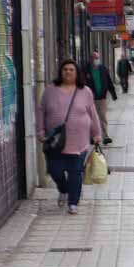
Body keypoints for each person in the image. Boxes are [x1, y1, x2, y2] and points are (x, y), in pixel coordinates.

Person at [37, 59, 102, 215]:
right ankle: (63, 189)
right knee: (55, 170)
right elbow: (41, 112)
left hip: (78, 140)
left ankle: (73, 202)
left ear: (76, 73)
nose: (68, 72)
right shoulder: (49, 90)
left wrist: (97, 133)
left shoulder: (85, 91)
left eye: (71, 69)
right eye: (65, 69)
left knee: (75, 172)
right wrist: (40, 131)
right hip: (55, 141)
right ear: (61, 71)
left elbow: (93, 114)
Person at [84, 51, 118, 145]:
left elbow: (109, 80)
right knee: (91, 118)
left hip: (102, 97)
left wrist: (113, 94)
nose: (96, 60)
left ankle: (105, 136)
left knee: (102, 117)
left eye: (97, 58)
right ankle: (92, 136)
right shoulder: (86, 70)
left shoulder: (103, 69)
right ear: (91, 59)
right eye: (95, 58)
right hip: (90, 98)